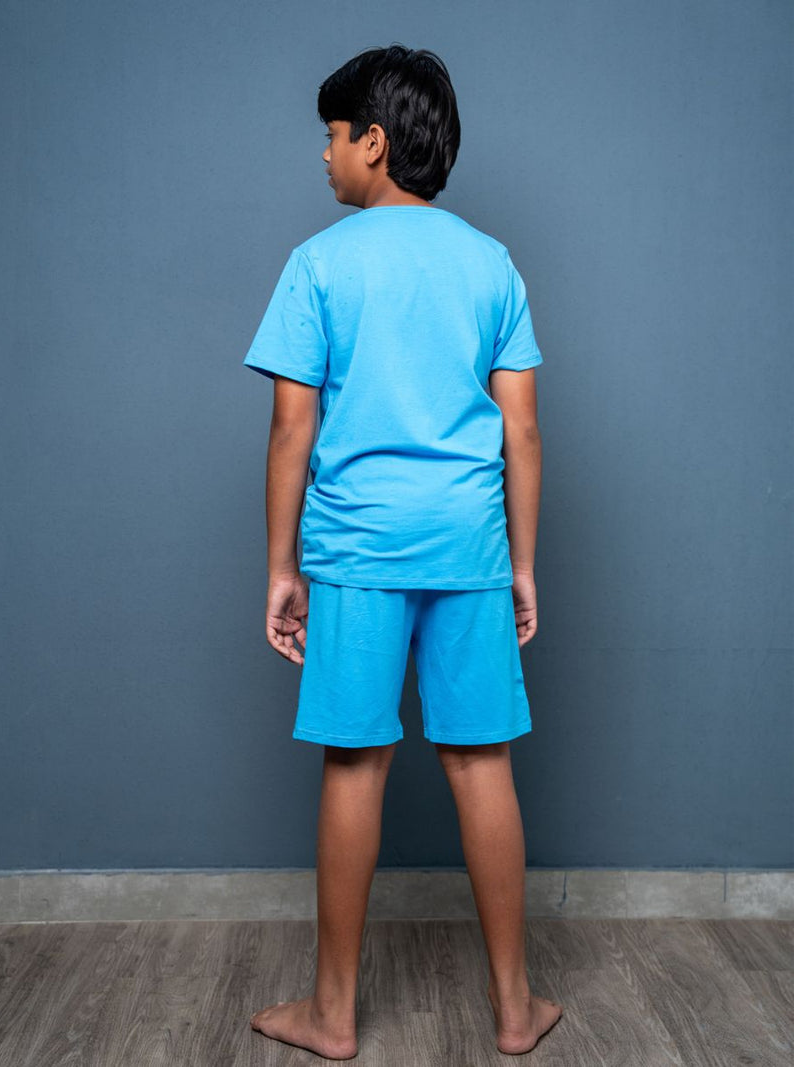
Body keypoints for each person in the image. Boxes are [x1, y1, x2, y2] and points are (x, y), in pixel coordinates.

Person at [242, 43, 563, 1060]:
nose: (322, 158)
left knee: (354, 766)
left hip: (356, 554)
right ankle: (515, 1008)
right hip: (468, 550)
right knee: (482, 766)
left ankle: (332, 1014)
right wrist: (519, 561)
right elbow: (521, 432)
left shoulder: (318, 264)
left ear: (371, 145)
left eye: (331, 137)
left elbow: (292, 429)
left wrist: (280, 565)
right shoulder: (491, 262)